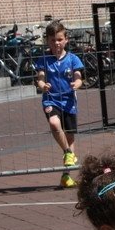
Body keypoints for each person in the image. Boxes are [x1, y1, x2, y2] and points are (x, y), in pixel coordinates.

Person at [34, 19, 84, 188]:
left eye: (60, 39)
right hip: (51, 99)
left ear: (66, 39)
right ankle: (68, 152)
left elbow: (79, 77)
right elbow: (40, 78)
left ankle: (66, 176)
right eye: (52, 40)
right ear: (47, 41)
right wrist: (42, 85)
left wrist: (76, 84)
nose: (56, 43)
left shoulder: (73, 59)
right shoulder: (44, 59)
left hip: (68, 101)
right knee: (54, 123)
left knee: (69, 137)